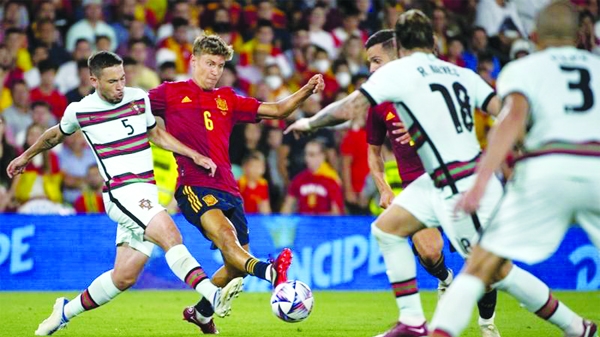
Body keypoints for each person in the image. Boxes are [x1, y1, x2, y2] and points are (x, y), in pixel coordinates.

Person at [284, 9, 514, 337]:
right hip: (417, 186)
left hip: (460, 180)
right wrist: (383, 187)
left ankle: (488, 325)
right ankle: (435, 291)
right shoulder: (379, 100)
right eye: (369, 62)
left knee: (486, 265)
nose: (371, 69)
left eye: (376, 61)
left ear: (398, 55)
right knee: (423, 248)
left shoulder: (437, 81)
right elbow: (372, 150)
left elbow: (474, 117)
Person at [7, 51, 243, 336]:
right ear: (94, 81)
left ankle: (64, 312)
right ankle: (211, 294)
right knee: (171, 235)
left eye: (122, 79)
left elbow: (156, 135)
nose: (120, 86)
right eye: (112, 82)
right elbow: (54, 135)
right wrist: (25, 157)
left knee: (124, 276)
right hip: (120, 193)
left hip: (146, 194)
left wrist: (194, 155)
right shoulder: (80, 111)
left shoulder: (137, 97)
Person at [430, 2, 599, 337]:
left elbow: (512, 122)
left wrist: (479, 184)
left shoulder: (523, 69)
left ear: (534, 36)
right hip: (596, 168)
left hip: (546, 169)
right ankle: (577, 329)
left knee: (480, 265)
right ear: (581, 36)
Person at [147, 34, 324, 334]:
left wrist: (306, 90)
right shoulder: (169, 93)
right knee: (228, 240)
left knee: (235, 266)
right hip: (194, 185)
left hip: (229, 189)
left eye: (219, 65)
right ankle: (271, 272)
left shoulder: (226, 98)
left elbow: (278, 110)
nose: (214, 71)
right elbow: (131, 107)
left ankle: (201, 314)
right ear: (193, 61)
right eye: (209, 63)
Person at [280, 139, 344, 215]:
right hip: (303, 224)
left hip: (324, 224)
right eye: (306, 154)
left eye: (312, 155)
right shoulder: (299, 179)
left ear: (322, 156)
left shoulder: (332, 179)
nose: (307, 158)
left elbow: (336, 213)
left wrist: (315, 218)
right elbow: (287, 206)